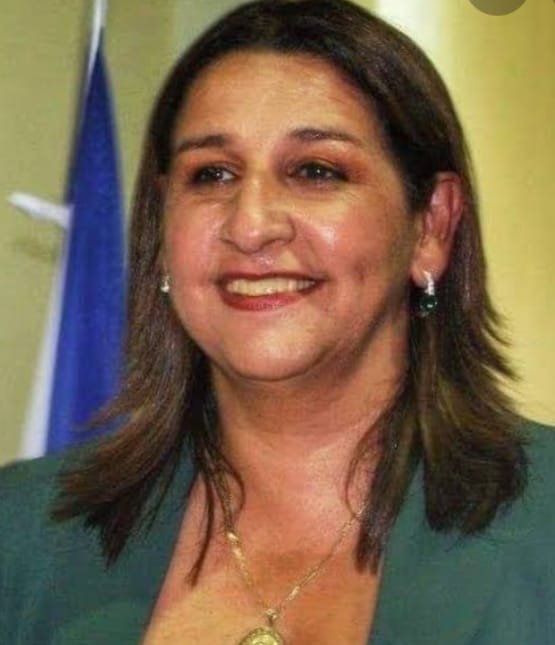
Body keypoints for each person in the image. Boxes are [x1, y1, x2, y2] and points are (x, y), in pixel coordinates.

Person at [1, 0, 554, 643]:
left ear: (431, 226)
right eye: (212, 174)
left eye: (316, 171)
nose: (251, 224)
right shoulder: (22, 535)